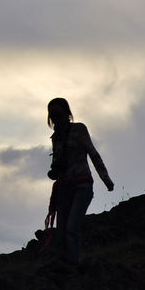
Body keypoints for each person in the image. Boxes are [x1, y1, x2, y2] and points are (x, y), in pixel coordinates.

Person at [45, 97, 113, 265]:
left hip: (82, 185)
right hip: (63, 188)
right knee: (61, 231)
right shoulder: (55, 138)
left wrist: (106, 180)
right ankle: (66, 265)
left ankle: (74, 265)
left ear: (68, 113)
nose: (55, 118)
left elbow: (93, 154)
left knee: (71, 228)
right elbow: (56, 165)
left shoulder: (79, 129)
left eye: (58, 114)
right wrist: (53, 171)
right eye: (52, 115)